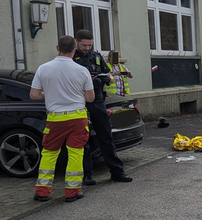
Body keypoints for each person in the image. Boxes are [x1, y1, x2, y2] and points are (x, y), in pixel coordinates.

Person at [30, 35, 94, 202]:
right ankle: (72, 192)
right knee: (75, 154)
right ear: (74, 50)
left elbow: (34, 95)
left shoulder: (43, 68)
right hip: (78, 118)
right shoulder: (82, 70)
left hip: (55, 119)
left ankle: (42, 192)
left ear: (57, 48)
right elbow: (91, 98)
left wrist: (49, 93)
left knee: (49, 154)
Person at [73, 30, 133, 184]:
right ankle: (87, 175)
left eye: (90, 45)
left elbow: (109, 74)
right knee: (83, 141)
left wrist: (107, 78)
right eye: (84, 45)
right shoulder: (72, 58)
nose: (87, 48)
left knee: (106, 137)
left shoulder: (96, 56)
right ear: (76, 42)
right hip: (80, 102)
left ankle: (117, 172)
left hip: (98, 101)